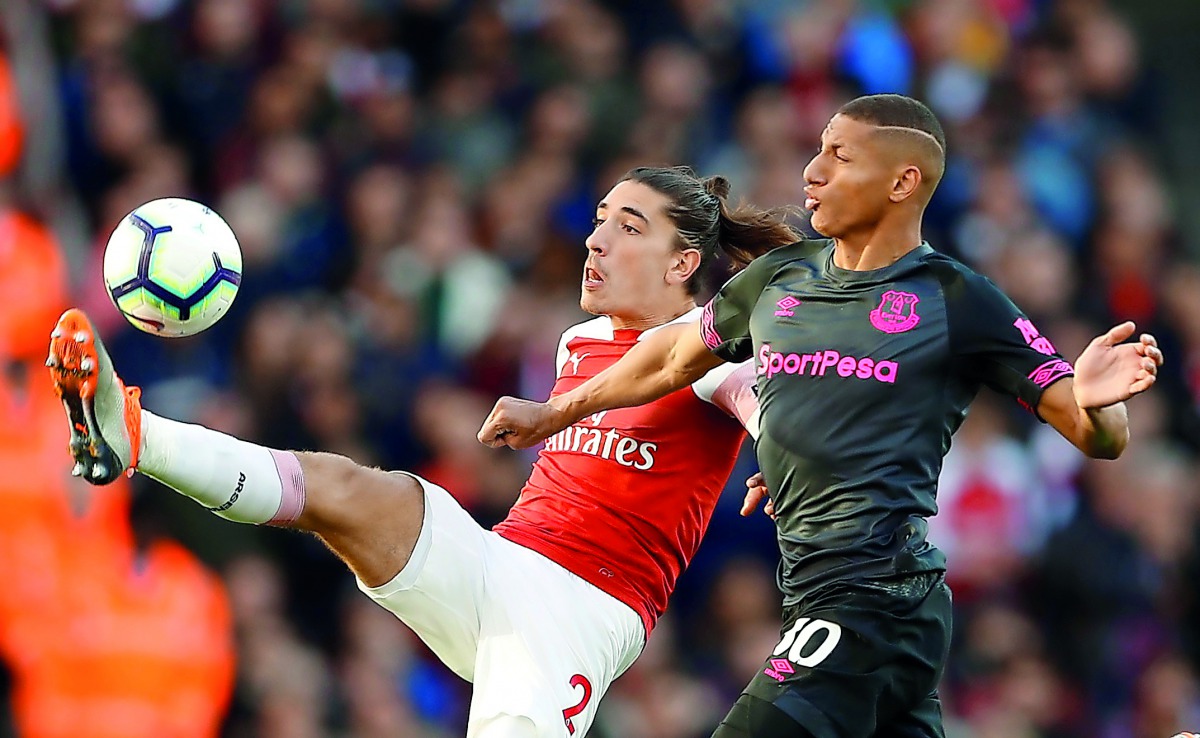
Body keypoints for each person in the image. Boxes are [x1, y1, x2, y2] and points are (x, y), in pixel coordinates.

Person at [478, 95, 1166, 738]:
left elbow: (1091, 431)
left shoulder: (957, 298)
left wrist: (1101, 404)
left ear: (901, 183)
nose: (812, 170)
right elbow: (667, 361)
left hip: (873, 598)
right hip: (820, 597)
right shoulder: (780, 279)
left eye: (840, 156)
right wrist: (551, 413)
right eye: (818, 150)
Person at [47, 165, 799, 737]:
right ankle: (133, 435)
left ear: (681, 265)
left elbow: (764, 404)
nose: (597, 239)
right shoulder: (580, 342)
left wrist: (783, 450)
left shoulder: (712, 355)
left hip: (577, 612)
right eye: (599, 220)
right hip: (497, 562)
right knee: (348, 488)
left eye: (630, 228)